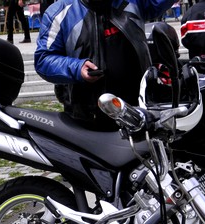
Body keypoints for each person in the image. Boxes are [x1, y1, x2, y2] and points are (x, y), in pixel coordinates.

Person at [35, 0, 175, 128]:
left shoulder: (135, 2)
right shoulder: (59, 12)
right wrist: (77, 68)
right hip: (86, 116)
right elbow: (43, 59)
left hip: (137, 110)